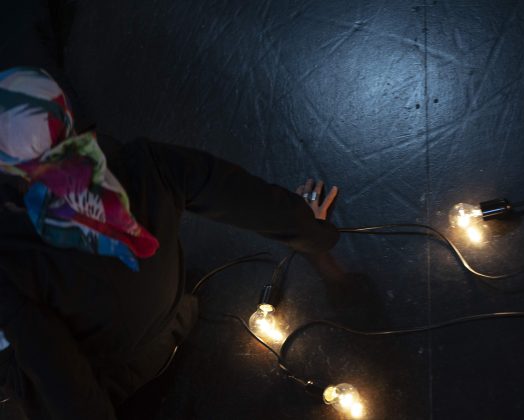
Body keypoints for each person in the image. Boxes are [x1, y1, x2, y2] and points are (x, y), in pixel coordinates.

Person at [0, 5, 340, 420]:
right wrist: (313, 230)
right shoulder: (150, 166)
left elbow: (68, 392)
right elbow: (248, 200)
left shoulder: (14, 267)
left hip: (113, 376)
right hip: (172, 319)